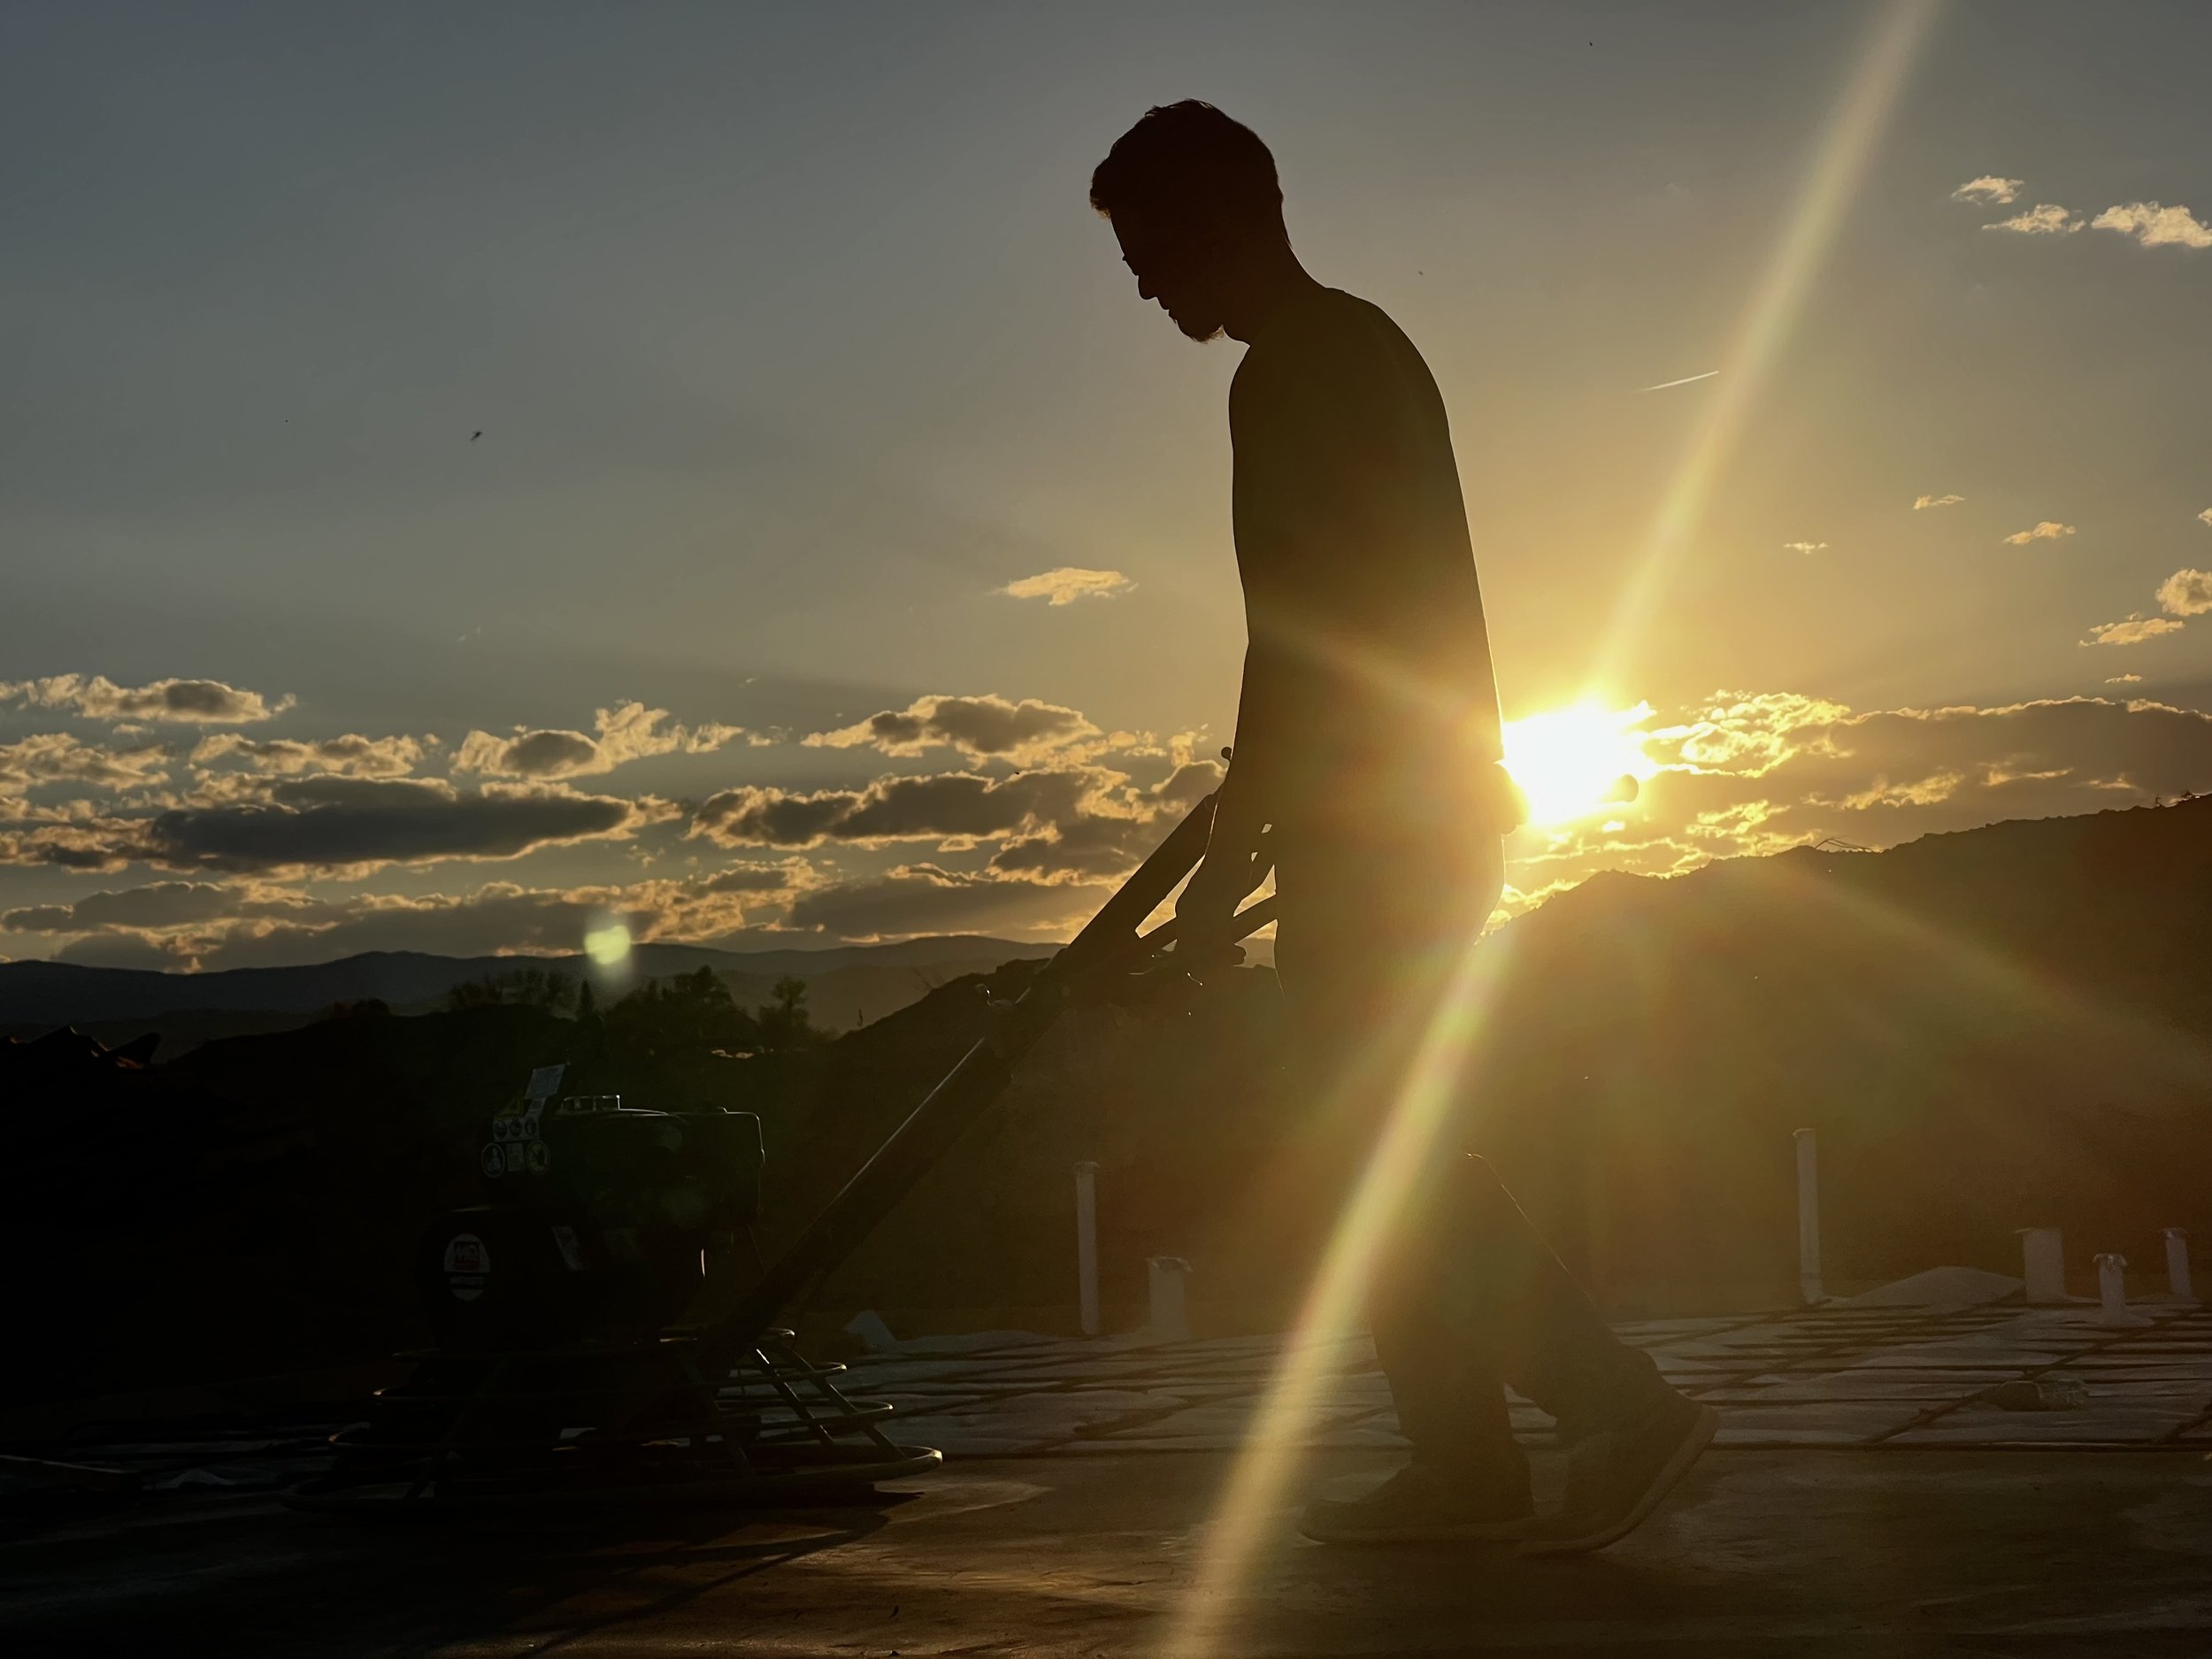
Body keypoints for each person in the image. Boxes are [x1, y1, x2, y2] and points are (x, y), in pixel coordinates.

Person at [1089, 102, 1716, 1550]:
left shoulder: (1298, 374)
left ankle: (1617, 1407)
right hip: (1404, 813)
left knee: (1377, 1163)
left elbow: (1300, 636)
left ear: (1217, 222)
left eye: (1146, 250)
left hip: (1377, 825)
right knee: (1381, 1153)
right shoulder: (1361, 349)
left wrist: (1231, 852)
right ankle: (1463, 1467)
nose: (1141, 287)